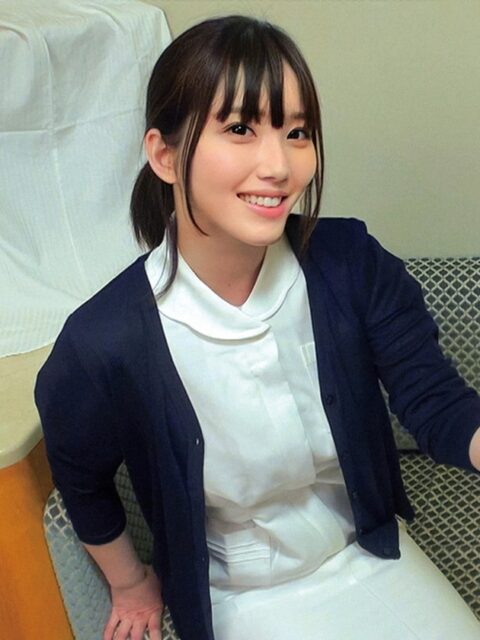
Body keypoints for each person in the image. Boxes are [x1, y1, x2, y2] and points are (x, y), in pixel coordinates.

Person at [35, 15, 480, 640]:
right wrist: (131, 583)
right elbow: (80, 480)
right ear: (165, 156)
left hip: (371, 552)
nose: (279, 165)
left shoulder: (351, 263)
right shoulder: (102, 342)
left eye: (297, 132)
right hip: (235, 592)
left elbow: (434, 400)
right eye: (241, 128)